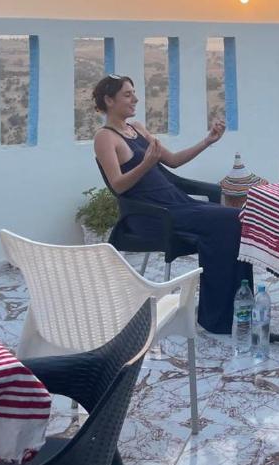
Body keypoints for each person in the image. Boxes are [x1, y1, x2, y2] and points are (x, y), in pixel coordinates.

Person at [91, 74, 252, 334]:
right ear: (109, 100)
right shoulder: (105, 138)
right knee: (228, 220)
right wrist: (145, 164)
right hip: (154, 214)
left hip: (177, 202)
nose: (135, 99)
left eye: (134, 93)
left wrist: (207, 141)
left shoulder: (137, 128)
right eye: (127, 94)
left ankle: (238, 307)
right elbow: (118, 185)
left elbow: (174, 161)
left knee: (238, 218)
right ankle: (215, 317)